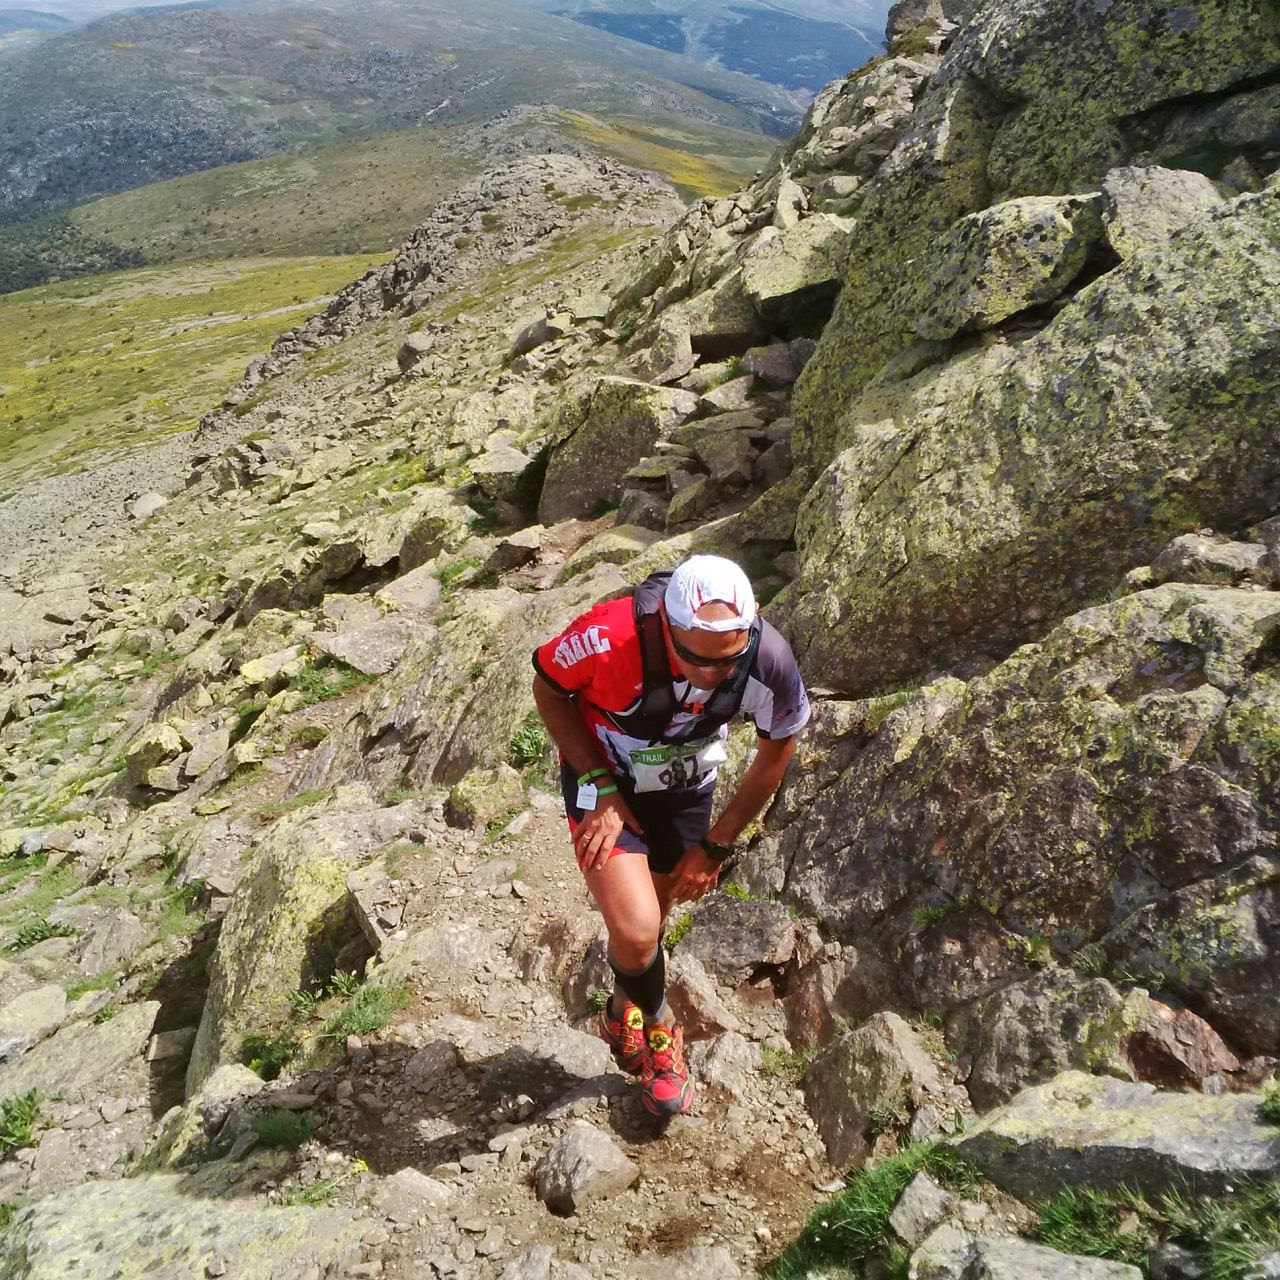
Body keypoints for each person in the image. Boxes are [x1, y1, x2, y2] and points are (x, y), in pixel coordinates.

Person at [531, 554, 810, 1116]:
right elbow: (549, 686)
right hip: (601, 775)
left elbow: (777, 750)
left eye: (725, 662)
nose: (709, 675)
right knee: (635, 931)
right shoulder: (607, 635)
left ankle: (620, 1010)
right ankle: (662, 1033)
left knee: (652, 923)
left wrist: (717, 844)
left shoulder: (771, 660)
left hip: (685, 785)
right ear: (665, 623)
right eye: (693, 658)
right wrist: (597, 782)